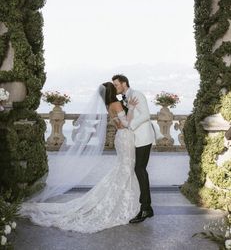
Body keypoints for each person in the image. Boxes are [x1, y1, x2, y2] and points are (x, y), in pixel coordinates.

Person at [20, 82, 142, 233]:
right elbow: (125, 124)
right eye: (115, 87)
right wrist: (131, 108)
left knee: (124, 168)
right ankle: (126, 202)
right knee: (127, 168)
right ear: (112, 91)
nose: (117, 89)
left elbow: (118, 125)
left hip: (120, 138)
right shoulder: (116, 104)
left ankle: (123, 199)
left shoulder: (108, 106)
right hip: (126, 138)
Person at [112, 74, 155, 223]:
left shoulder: (137, 95)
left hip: (143, 138)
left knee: (140, 169)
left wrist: (130, 125)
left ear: (124, 83)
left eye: (117, 84)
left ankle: (146, 208)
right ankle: (144, 206)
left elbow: (146, 115)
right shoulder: (124, 98)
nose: (115, 87)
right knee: (138, 170)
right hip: (134, 140)